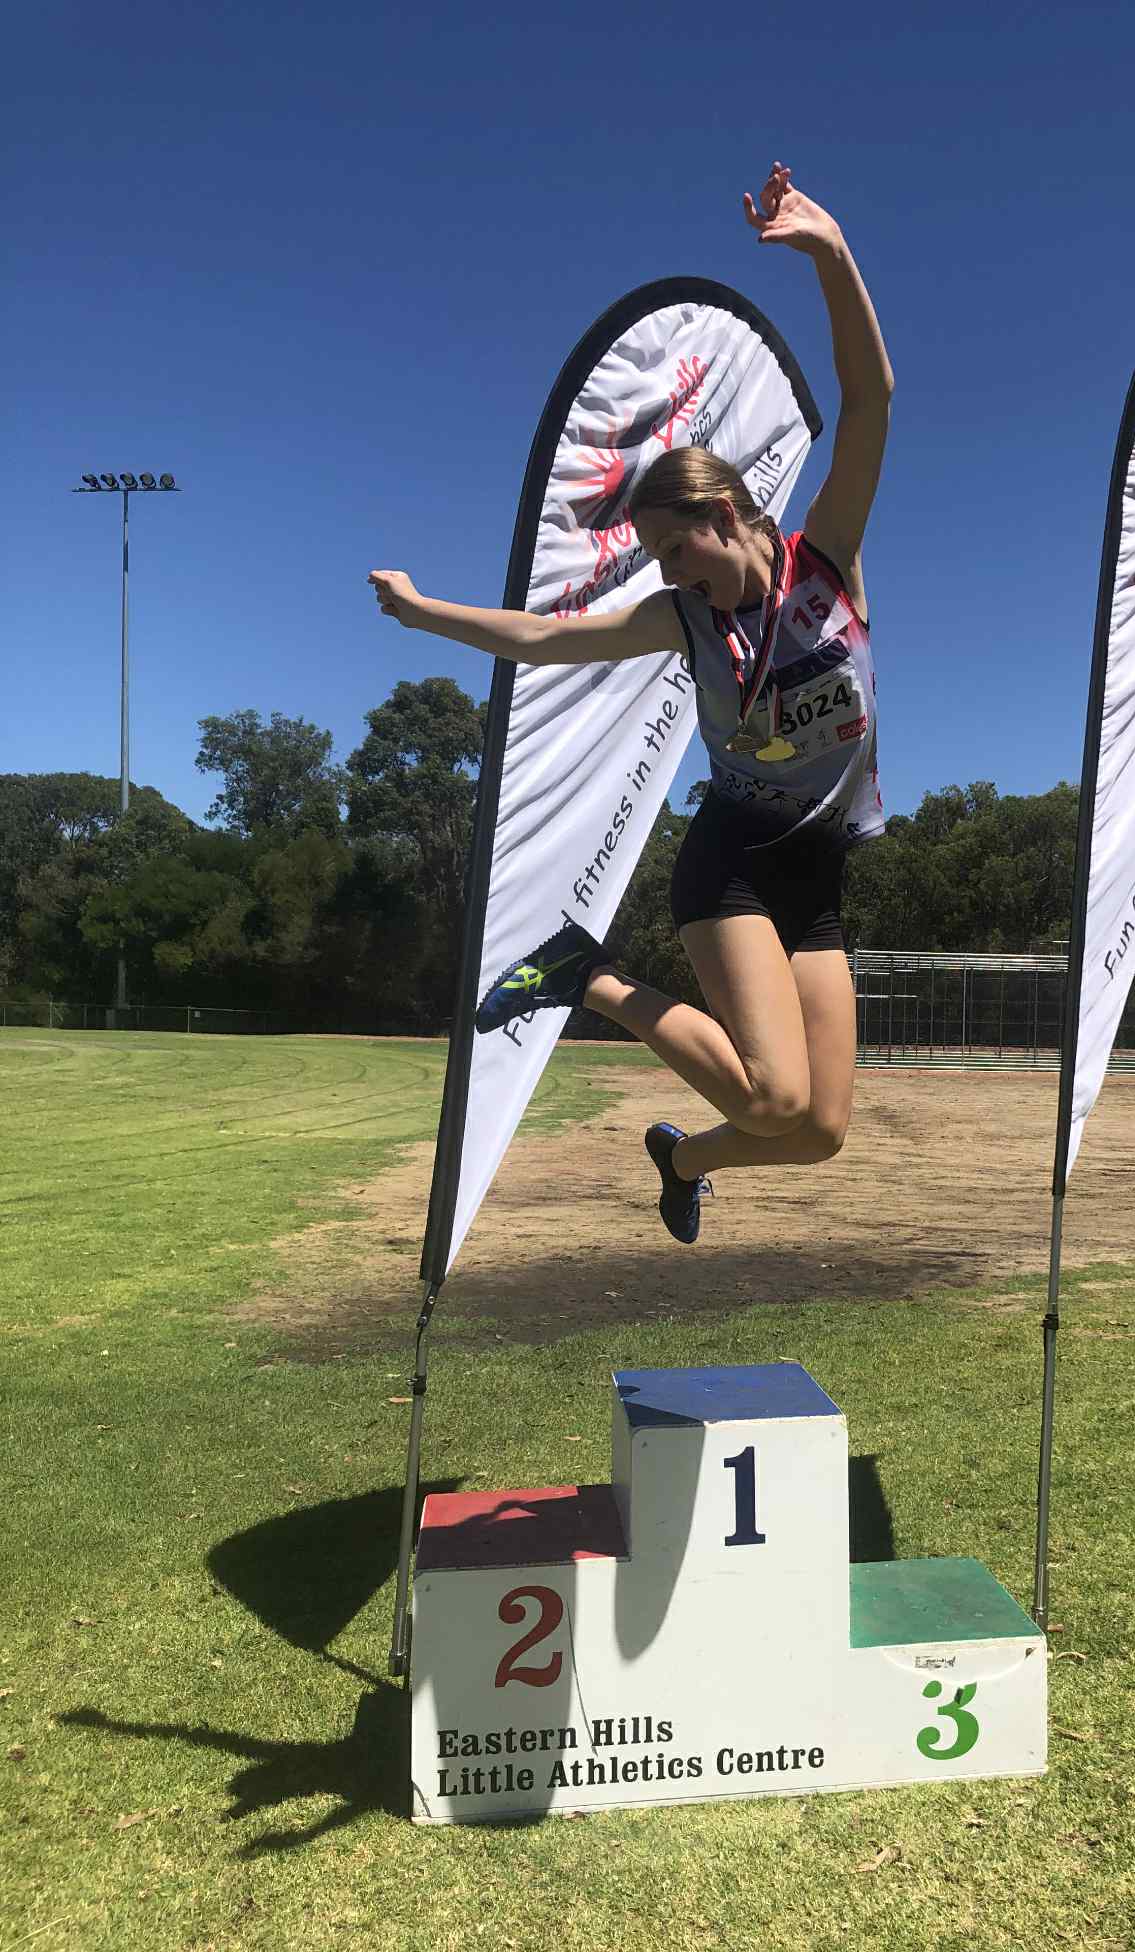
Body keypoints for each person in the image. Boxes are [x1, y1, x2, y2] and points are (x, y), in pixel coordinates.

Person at [369, 163, 893, 1245]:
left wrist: (831, 252)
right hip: (733, 862)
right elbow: (547, 640)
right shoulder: (683, 620)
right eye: (655, 559)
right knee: (771, 1097)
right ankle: (589, 973)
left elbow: (870, 401)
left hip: (818, 869)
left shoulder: (826, 559)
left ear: (726, 512)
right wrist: (426, 615)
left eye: (675, 549)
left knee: (822, 1130)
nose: (669, 572)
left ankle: (681, 1159)